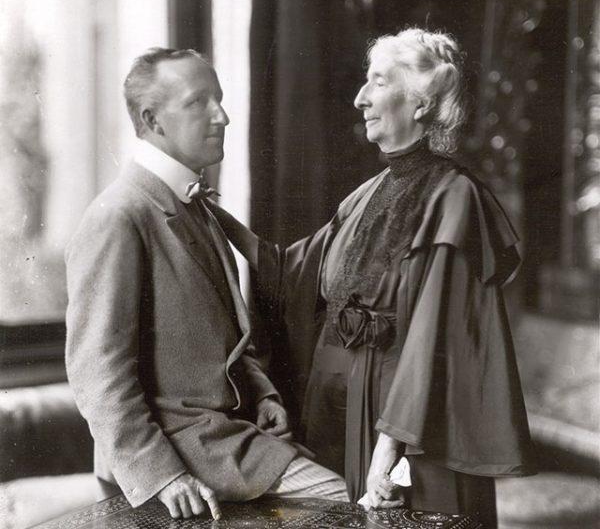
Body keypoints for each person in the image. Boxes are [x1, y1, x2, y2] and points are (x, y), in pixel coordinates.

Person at [208, 28, 536, 527]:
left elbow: (430, 336)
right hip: (334, 405)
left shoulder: (455, 197)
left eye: (378, 82)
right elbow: (291, 270)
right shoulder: (366, 193)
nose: (360, 98)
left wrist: (388, 448)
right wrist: (215, 218)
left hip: (406, 421)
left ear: (421, 103)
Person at [65, 48, 348, 521]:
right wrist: (162, 475)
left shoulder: (195, 205)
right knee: (352, 507)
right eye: (199, 102)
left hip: (228, 438)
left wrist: (263, 396)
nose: (223, 116)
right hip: (181, 450)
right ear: (153, 120)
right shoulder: (119, 216)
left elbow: (221, 337)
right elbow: (97, 373)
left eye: (218, 99)